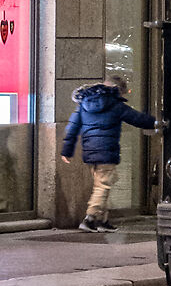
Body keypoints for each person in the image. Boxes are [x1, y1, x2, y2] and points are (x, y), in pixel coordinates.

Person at [61, 74, 157, 231]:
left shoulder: (84, 102)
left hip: (89, 152)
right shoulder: (115, 104)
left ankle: (102, 221)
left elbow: (72, 128)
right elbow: (137, 118)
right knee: (103, 186)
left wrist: (67, 150)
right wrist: (156, 122)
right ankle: (90, 218)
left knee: (102, 184)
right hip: (106, 151)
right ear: (118, 90)